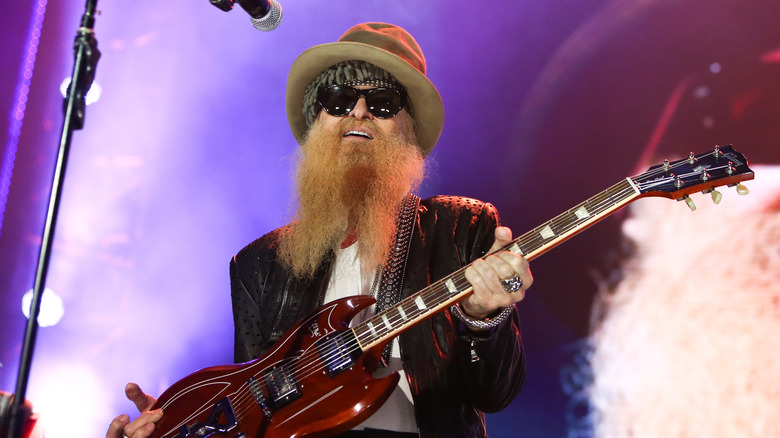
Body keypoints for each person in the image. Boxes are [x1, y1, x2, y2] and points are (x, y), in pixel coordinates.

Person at [106, 22, 531, 438]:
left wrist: (483, 321)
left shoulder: (458, 227)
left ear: (410, 134)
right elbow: (251, 416)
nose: (359, 112)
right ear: (315, 125)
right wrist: (184, 426)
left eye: (383, 102)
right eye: (338, 98)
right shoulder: (259, 265)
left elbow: (494, 393)